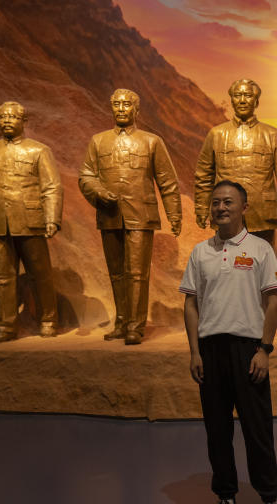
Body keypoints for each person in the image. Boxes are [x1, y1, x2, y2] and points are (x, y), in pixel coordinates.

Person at [181, 180, 277, 504]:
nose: (220, 208)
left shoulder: (260, 249)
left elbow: (273, 301)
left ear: (244, 207)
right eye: (215, 203)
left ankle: (269, 501)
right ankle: (227, 501)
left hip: (249, 351)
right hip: (211, 351)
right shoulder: (200, 252)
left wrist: (264, 350)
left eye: (228, 202)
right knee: (217, 431)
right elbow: (191, 303)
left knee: (258, 430)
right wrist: (195, 351)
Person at [78, 88, 182, 345]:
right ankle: (122, 321)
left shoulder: (151, 141)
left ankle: (136, 325)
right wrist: (99, 193)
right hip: (110, 215)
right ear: (111, 108)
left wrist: (175, 215)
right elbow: (86, 176)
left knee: (137, 273)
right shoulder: (98, 141)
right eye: (117, 104)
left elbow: (168, 182)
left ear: (137, 110)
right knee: (116, 273)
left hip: (140, 214)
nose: (121, 108)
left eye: (127, 104)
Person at [0, 101, 62, 343]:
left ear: (24, 121)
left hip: (31, 221)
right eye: (2, 118)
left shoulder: (38, 151)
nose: (7, 121)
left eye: (12, 117)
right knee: (2, 278)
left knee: (40, 274)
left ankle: (48, 320)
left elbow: (51, 187)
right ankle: (5, 326)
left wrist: (52, 219)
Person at [194, 78, 277, 246]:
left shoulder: (272, 135)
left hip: (262, 215)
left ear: (256, 101)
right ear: (231, 100)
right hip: (225, 214)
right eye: (237, 95)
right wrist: (201, 207)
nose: (242, 100)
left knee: (259, 266)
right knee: (226, 267)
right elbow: (203, 176)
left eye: (247, 95)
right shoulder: (216, 134)